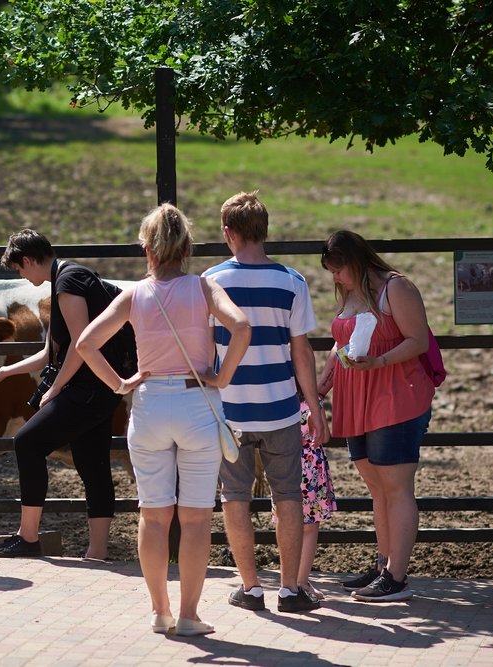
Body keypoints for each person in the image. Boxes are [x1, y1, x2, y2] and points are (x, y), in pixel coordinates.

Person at [78, 204, 250, 636]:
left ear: (146, 248)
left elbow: (85, 343)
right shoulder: (205, 287)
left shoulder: (135, 294)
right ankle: (190, 615)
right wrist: (222, 376)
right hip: (197, 405)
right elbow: (242, 327)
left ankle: (160, 611)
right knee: (194, 519)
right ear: (187, 246)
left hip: (150, 403)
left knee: (153, 517)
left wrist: (121, 383)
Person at [202, 191, 330, 613]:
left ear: (229, 232)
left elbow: (205, 350)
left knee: (234, 496)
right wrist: (314, 408)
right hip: (281, 409)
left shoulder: (211, 282)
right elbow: (301, 353)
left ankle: (251, 587)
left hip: (231, 409)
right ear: (265, 230)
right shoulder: (292, 281)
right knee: (288, 495)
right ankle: (291, 589)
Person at [0, 229, 127, 560]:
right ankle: (97, 552)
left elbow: (79, 343)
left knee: (27, 442)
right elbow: (51, 352)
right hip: (99, 389)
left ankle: (28, 536)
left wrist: (56, 388)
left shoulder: (67, 282)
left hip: (88, 387)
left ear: (29, 260)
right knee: (93, 463)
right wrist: (6, 371)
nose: (21, 275)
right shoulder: (67, 278)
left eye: (19, 268)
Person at [317, 229, 434, 602]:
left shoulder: (396, 288)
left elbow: (418, 340)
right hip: (359, 395)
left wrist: (380, 361)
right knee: (376, 484)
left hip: (396, 394)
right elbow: (341, 343)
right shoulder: (353, 291)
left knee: (396, 485)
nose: (334, 277)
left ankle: (396, 577)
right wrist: (324, 380)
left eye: (337, 270)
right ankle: (384, 564)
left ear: (355, 261)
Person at [271, 392, 337, 602]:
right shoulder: (313, 402)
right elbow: (324, 437)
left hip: (284, 467)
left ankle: (289, 581)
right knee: (309, 528)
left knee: (286, 523)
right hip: (310, 470)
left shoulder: (276, 399)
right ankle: (301, 581)